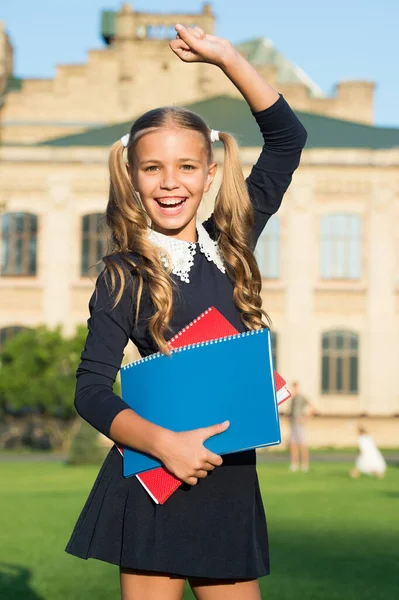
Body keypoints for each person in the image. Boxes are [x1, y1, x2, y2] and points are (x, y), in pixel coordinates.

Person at [65, 23, 307, 600]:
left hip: (229, 480)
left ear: (211, 173)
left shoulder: (234, 238)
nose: (170, 184)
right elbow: (91, 389)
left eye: (187, 167)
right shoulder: (124, 271)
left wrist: (225, 57)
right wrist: (162, 444)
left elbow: (287, 139)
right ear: (131, 175)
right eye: (153, 168)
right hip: (155, 477)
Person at [288, 382, 314, 472]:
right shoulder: (293, 399)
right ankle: (294, 464)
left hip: (299, 425)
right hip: (293, 424)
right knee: (293, 445)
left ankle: (304, 465)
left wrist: (306, 418)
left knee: (302, 445)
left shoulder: (301, 398)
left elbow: (312, 407)